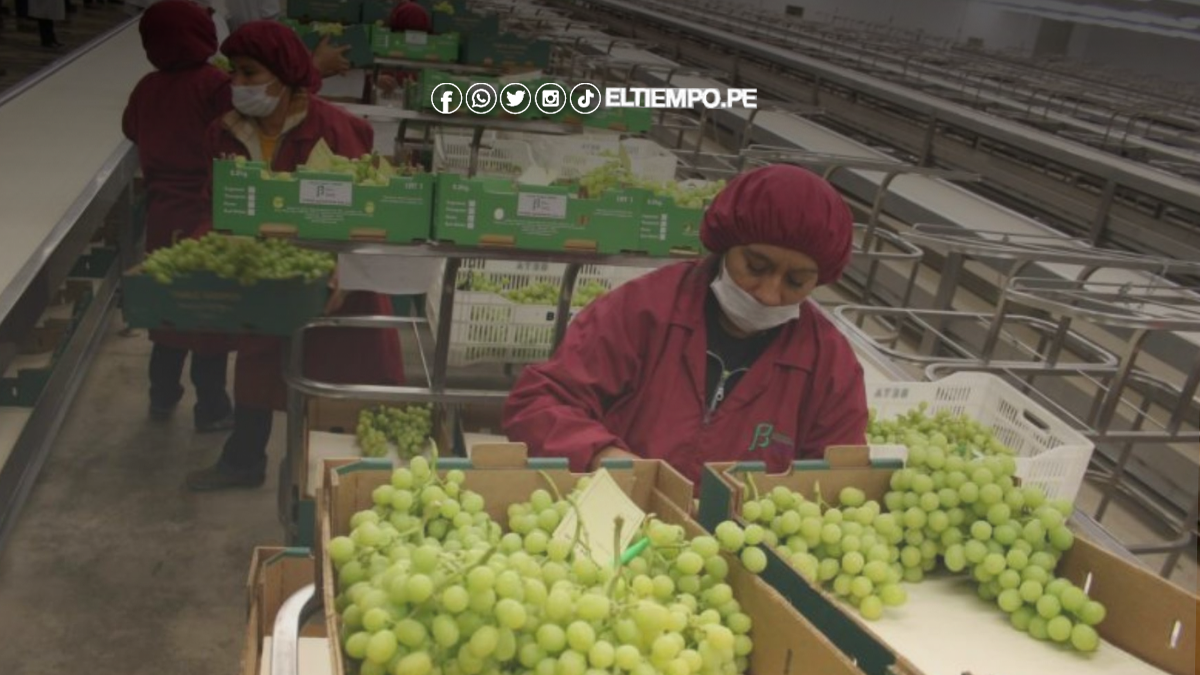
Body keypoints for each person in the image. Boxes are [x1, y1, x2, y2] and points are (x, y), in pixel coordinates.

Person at [501, 164, 869, 486]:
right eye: (756, 267)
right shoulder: (645, 310)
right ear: (726, 246)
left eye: (796, 281)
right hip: (619, 519)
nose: (769, 294)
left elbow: (837, 474)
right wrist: (600, 453)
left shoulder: (827, 365)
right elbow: (541, 402)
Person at [186, 20, 404, 491]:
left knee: (334, 379)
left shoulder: (333, 129)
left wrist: (341, 267)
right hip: (267, 275)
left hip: (331, 280)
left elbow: (366, 209)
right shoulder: (224, 133)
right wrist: (207, 249)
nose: (237, 83)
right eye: (233, 72)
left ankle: (325, 477)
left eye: (249, 73)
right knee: (258, 365)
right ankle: (243, 461)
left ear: (283, 74)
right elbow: (214, 205)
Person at [123, 0, 234, 432]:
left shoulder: (146, 87)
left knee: (168, 313)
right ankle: (211, 408)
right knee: (209, 315)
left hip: (162, 214)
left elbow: (130, 128)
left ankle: (162, 395)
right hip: (207, 213)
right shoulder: (216, 84)